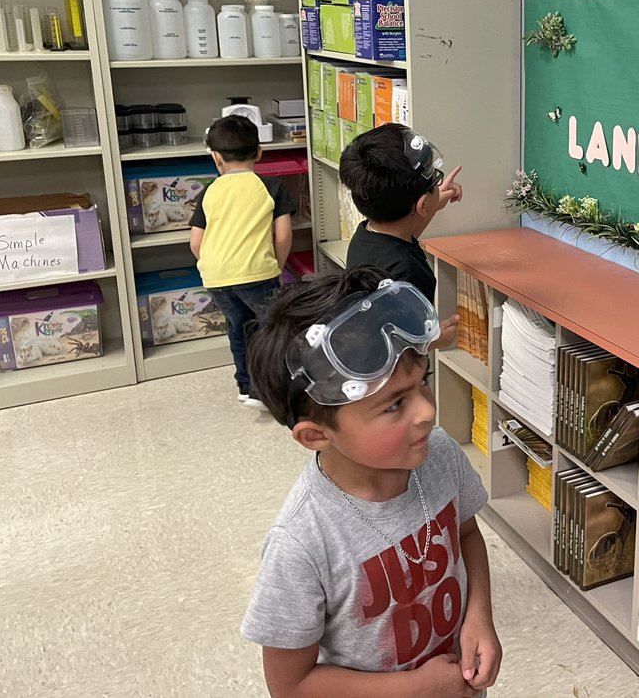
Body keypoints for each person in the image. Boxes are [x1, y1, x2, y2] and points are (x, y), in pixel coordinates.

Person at [241, 268, 501, 697]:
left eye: (423, 384)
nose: (426, 412)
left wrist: (479, 616)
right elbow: (290, 685)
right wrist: (416, 688)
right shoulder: (301, 542)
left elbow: (468, 533)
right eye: (394, 404)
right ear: (316, 435)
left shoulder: (437, 454)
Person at [189, 115, 295, 411]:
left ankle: (245, 386)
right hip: (258, 273)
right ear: (260, 152)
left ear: (215, 157)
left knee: (238, 327)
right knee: (271, 329)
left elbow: (195, 243)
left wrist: (216, 266)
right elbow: (284, 236)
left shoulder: (209, 191)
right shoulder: (271, 187)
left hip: (216, 278)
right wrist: (277, 265)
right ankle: (269, 392)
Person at [339, 123, 462, 347]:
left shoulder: (367, 233)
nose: (438, 183)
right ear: (421, 205)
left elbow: (406, 232)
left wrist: (435, 201)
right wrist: (434, 340)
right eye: (436, 182)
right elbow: (396, 344)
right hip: (396, 376)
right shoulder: (407, 274)